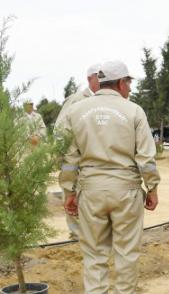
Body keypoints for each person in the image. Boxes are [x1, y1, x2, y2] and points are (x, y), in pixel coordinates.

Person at [58, 60, 160, 294]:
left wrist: (69, 191)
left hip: (90, 191)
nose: (130, 87)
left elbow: (69, 158)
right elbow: (146, 158)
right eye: (129, 82)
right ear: (121, 82)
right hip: (125, 190)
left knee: (94, 252)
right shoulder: (133, 111)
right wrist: (152, 187)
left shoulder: (76, 111)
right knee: (126, 252)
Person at [55, 63, 101, 241]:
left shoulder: (106, 101)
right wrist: (64, 157)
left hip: (96, 162)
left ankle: (92, 235)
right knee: (73, 196)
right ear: (89, 78)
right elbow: (60, 131)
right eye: (99, 76)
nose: (103, 80)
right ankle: (76, 236)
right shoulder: (76, 100)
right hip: (76, 160)